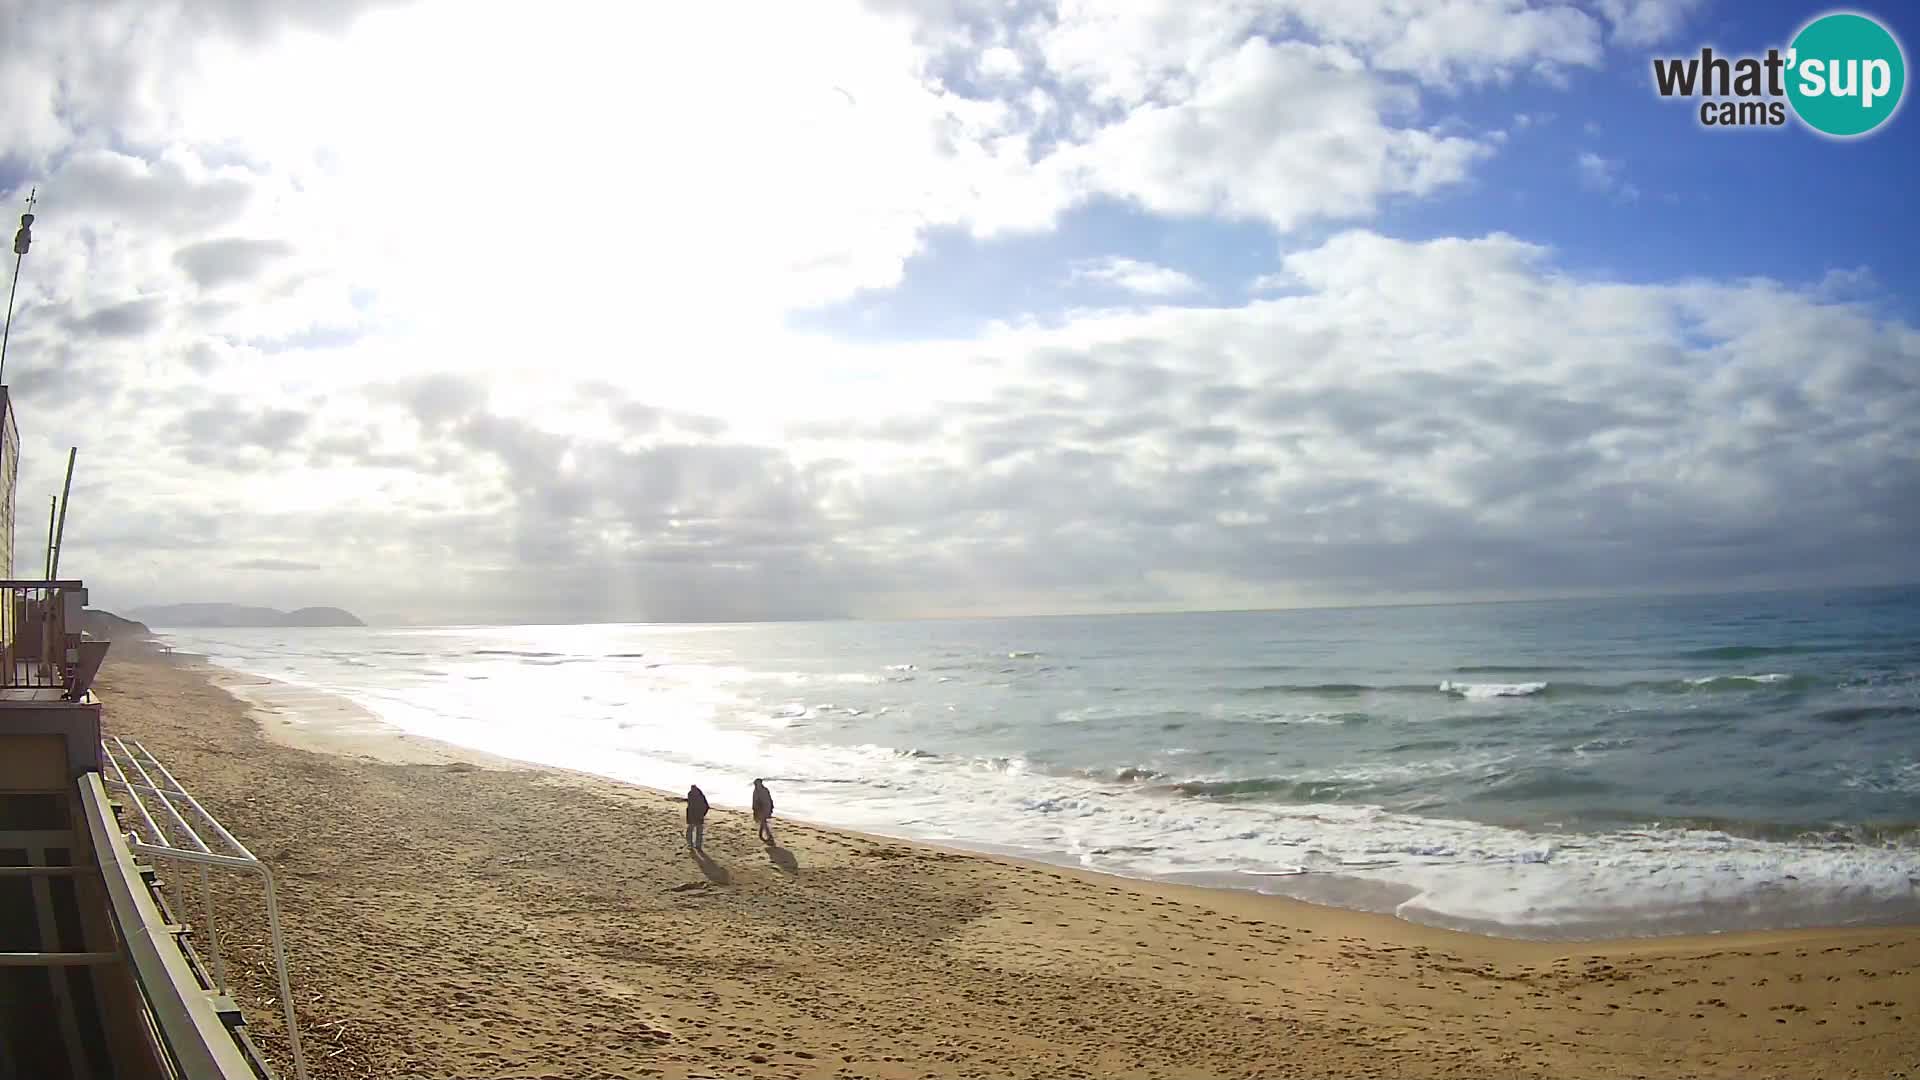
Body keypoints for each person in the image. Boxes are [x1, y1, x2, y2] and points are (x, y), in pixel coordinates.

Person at [685, 784, 709, 851]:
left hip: (692, 816)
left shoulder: (690, 795)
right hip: (699, 816)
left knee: (690, 831)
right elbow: (707, 806)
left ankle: (690, 844)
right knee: (698, 832)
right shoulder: (701, 796)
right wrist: (703, 814)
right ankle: (698, 845)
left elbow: (690, 807)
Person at [751, 778, 775, 843]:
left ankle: (768, 836)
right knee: (763, 821)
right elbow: (770, 799)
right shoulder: (764, 789)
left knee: (763, 821)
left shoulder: (757, 791)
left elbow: (755, 801)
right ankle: (762, 835)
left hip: (762, 808)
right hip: (765, 808)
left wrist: (754, 809)